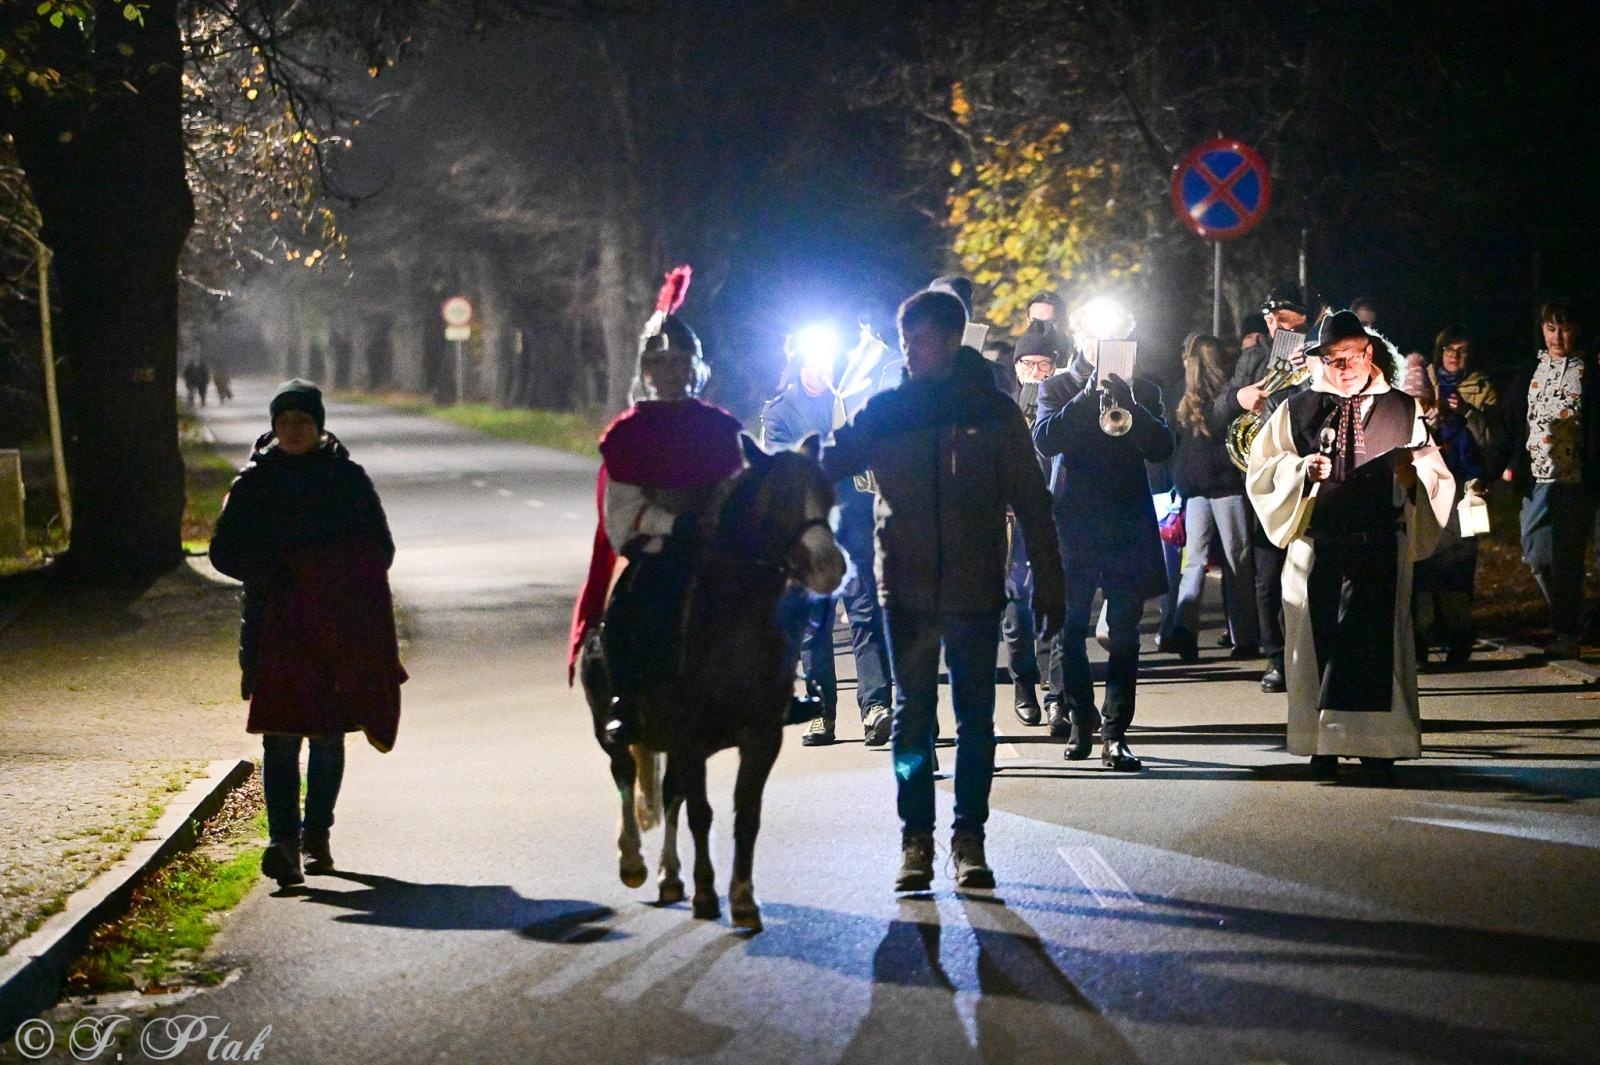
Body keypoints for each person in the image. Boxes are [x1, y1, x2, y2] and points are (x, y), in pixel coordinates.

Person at [823, 289, 1063, 892]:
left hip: (975, 584)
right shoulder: (887, 409)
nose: (910, 350)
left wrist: (1051, 581)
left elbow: (1033, 502)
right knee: (911, 721)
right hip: (902, 585)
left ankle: (969, 839)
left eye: (922, 339)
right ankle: (915, 841)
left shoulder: (994, 413)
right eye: (905, 340)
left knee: (976, 718)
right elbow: (827, 461)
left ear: (954, 340)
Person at [209, 379, 404, 887]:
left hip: (336, 630)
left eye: (304, 422)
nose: (294, 430)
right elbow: (223, 551)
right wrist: (272, 571)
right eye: (286, 422)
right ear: (274, 427)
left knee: (327, 735)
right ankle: (284, 843)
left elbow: (381, 550)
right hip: (275, 627)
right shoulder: (254, 483)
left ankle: (317, 834)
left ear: (319, 428)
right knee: (278, 738)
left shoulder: (348, 481)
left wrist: (332, 572)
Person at [1247, 310, 1453, 778]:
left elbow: (1437, 475)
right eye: (1335, 358)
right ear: (1322, 360)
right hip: (1317, 543)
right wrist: (1301, 472)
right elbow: (1261, 469)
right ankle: (1322, 744)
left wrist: (1411, 476)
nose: (1345, 366)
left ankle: (1378, 748)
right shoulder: (1297, 408)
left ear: (1368, 353)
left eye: (1353, 356)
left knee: (1374, 644)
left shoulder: (1403, 408)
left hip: (1379, 542)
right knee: (1315, 646)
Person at [567, 267, 747, 747]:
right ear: (647, 373)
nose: (673, 376)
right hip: (659, 553)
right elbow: (621, 514)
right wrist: (675, 524)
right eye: (663, 367)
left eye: (681, 366)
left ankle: (772, 694)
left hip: (713, 550)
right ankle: (625, 700)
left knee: (760, 604)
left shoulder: (721, 429)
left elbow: (738, 490)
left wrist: (717, 524)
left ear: (695, 370)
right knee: (626, 612)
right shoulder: (627, 435)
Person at [1033, 326, 1174, 771]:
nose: (1103, 344)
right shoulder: (1057, 386)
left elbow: (1163, 447)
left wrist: (1130, 404)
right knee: (1069, 630)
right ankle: (1080, 718)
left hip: (1125, 524)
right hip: (1072, 524)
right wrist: (1086, 396)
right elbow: (1045, 439)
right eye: (1095, 335)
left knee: (1125, 634)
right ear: (1080, 339)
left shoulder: (1144, 388)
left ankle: (1116, 733)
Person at [762, 334, 891, 747]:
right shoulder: (779, 411)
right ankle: (820, 711)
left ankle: (876, 706)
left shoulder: (853, 402)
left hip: (855, 520)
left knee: (865, 612)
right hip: (810, 526)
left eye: (830, 362)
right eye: (815, 363)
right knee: (814, 621)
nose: (824, 371)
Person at [1217, 282, 1328, 693]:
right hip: (1267, 477)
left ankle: (1315, 655)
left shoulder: (1320, 352)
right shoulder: (1254, 357)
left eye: (1284, 317)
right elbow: (1218, 412)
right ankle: (1276, 658)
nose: (1274, 324)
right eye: (1269, 318)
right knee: (1266, 575)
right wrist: (1237, 398)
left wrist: (1310, 370)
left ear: (1307, 317)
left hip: (1309, 472)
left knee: (1310, 571)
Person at [1493, 299, 1599, 658]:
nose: (1557, 335)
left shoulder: (1589, 371)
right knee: (1537, 555)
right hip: (1535, 479)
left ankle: (1567, 632)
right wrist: (1486, 471)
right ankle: (1569, 615)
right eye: (1550, 327)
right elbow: (1508, 426)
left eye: (1564, 327)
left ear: (1577, 329)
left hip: (1575, 481)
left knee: (1567, 557)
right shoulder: (1530, 370)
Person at [1171, 334, 1259, 661]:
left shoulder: (1182, 398)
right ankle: (1245, 636)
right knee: (1238, 559)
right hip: (1225, 484)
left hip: (1193, 487)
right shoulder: (1228, 396)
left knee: (1194, 560)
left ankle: (1184, 628)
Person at [1413, 326, 1498, 664]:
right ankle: (1420, 639)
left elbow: (1490, 438)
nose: (1454, 355)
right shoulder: (1422, 378)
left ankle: (1457, 639)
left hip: (1462, 486)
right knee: (1420, 565)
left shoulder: (1480, 388)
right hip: (1423, 485)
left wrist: (1464, 411)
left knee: (1457, 570)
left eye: (1461, 350)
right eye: (1449, 348)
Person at [1004, 321, 1067, 725]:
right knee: (1015, 613)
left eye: (1044, 364)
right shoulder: (999, 407)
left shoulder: (1063, 401)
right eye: (1028, 364)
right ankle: (1024, 683)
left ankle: (1058, 695)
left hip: (1054, 514)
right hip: (1012, 520)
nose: (1035, 372)